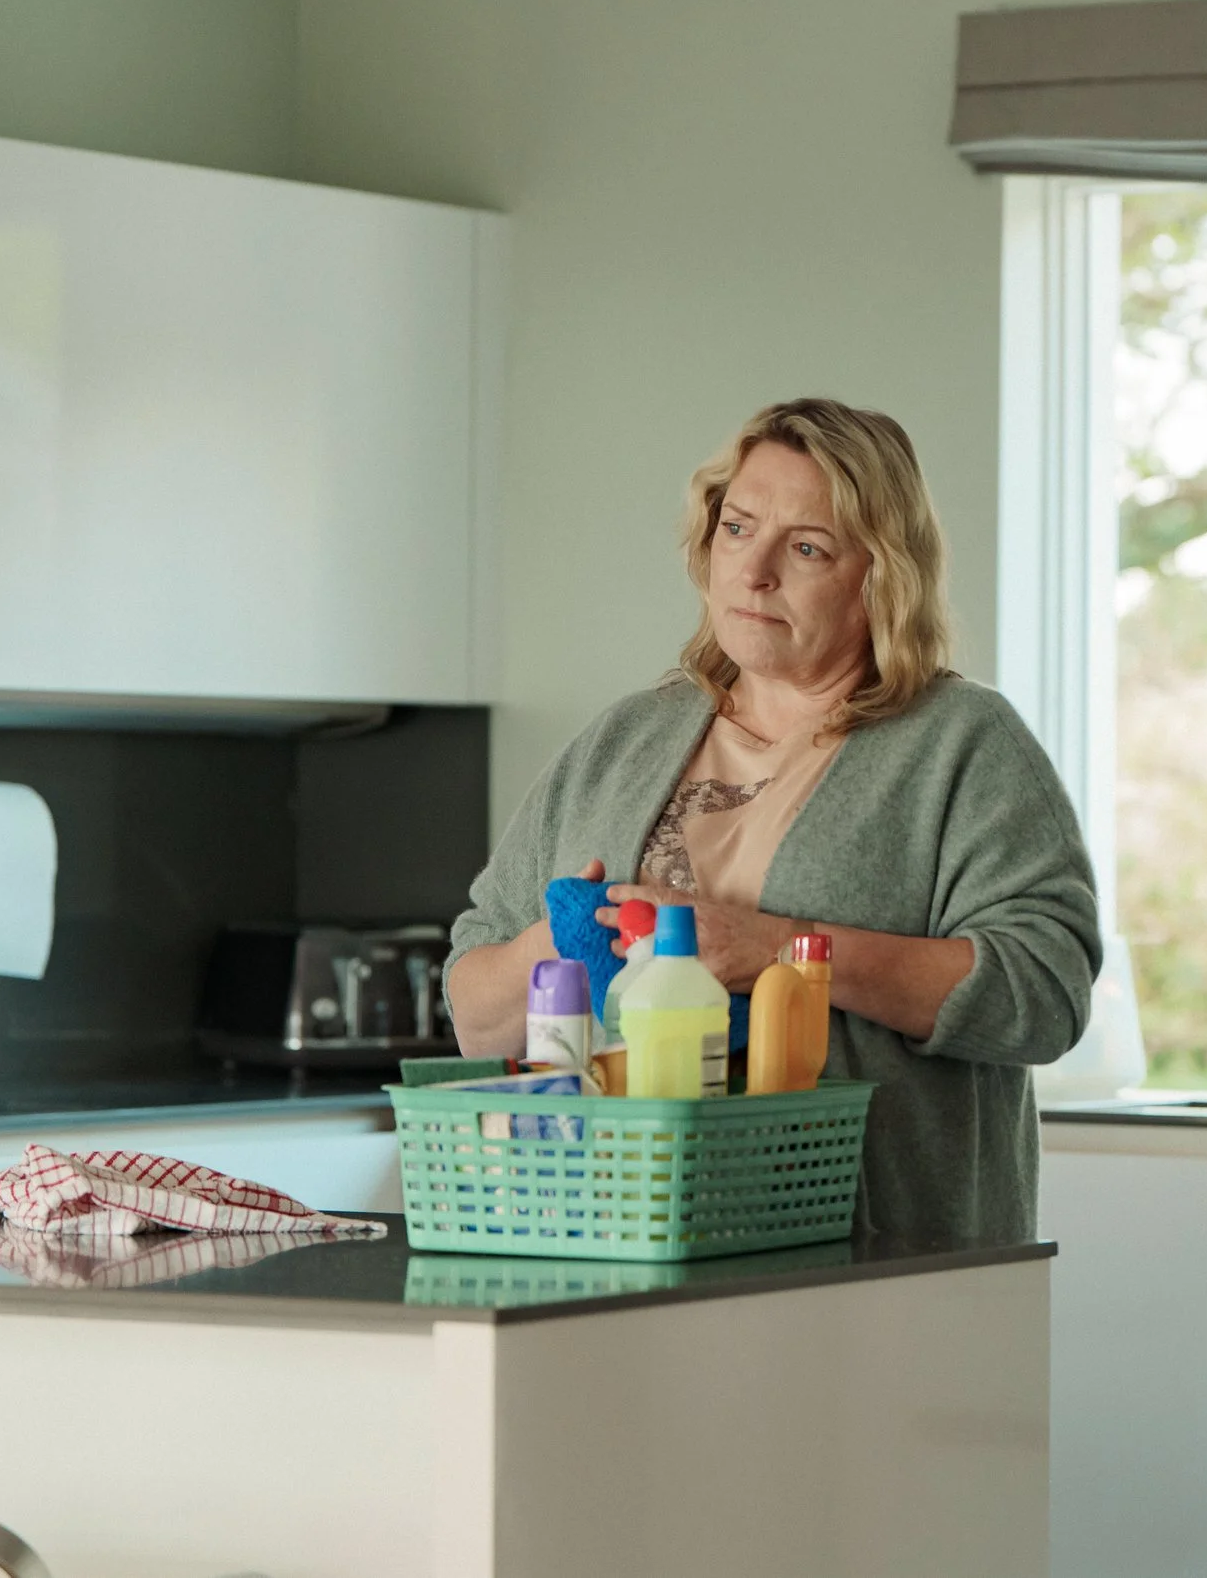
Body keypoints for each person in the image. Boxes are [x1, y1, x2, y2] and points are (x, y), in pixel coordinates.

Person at [445, 397, 1099, 1243]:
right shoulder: (624, 739)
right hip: (612, 1243)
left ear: (881, 575)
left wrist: (779, 950)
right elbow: (472, 1009)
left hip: (878, 1261)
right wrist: (566, 942)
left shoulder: (960, 744)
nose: (754, 573)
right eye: (738, 527)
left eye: (807, 548)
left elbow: (1043, 992)